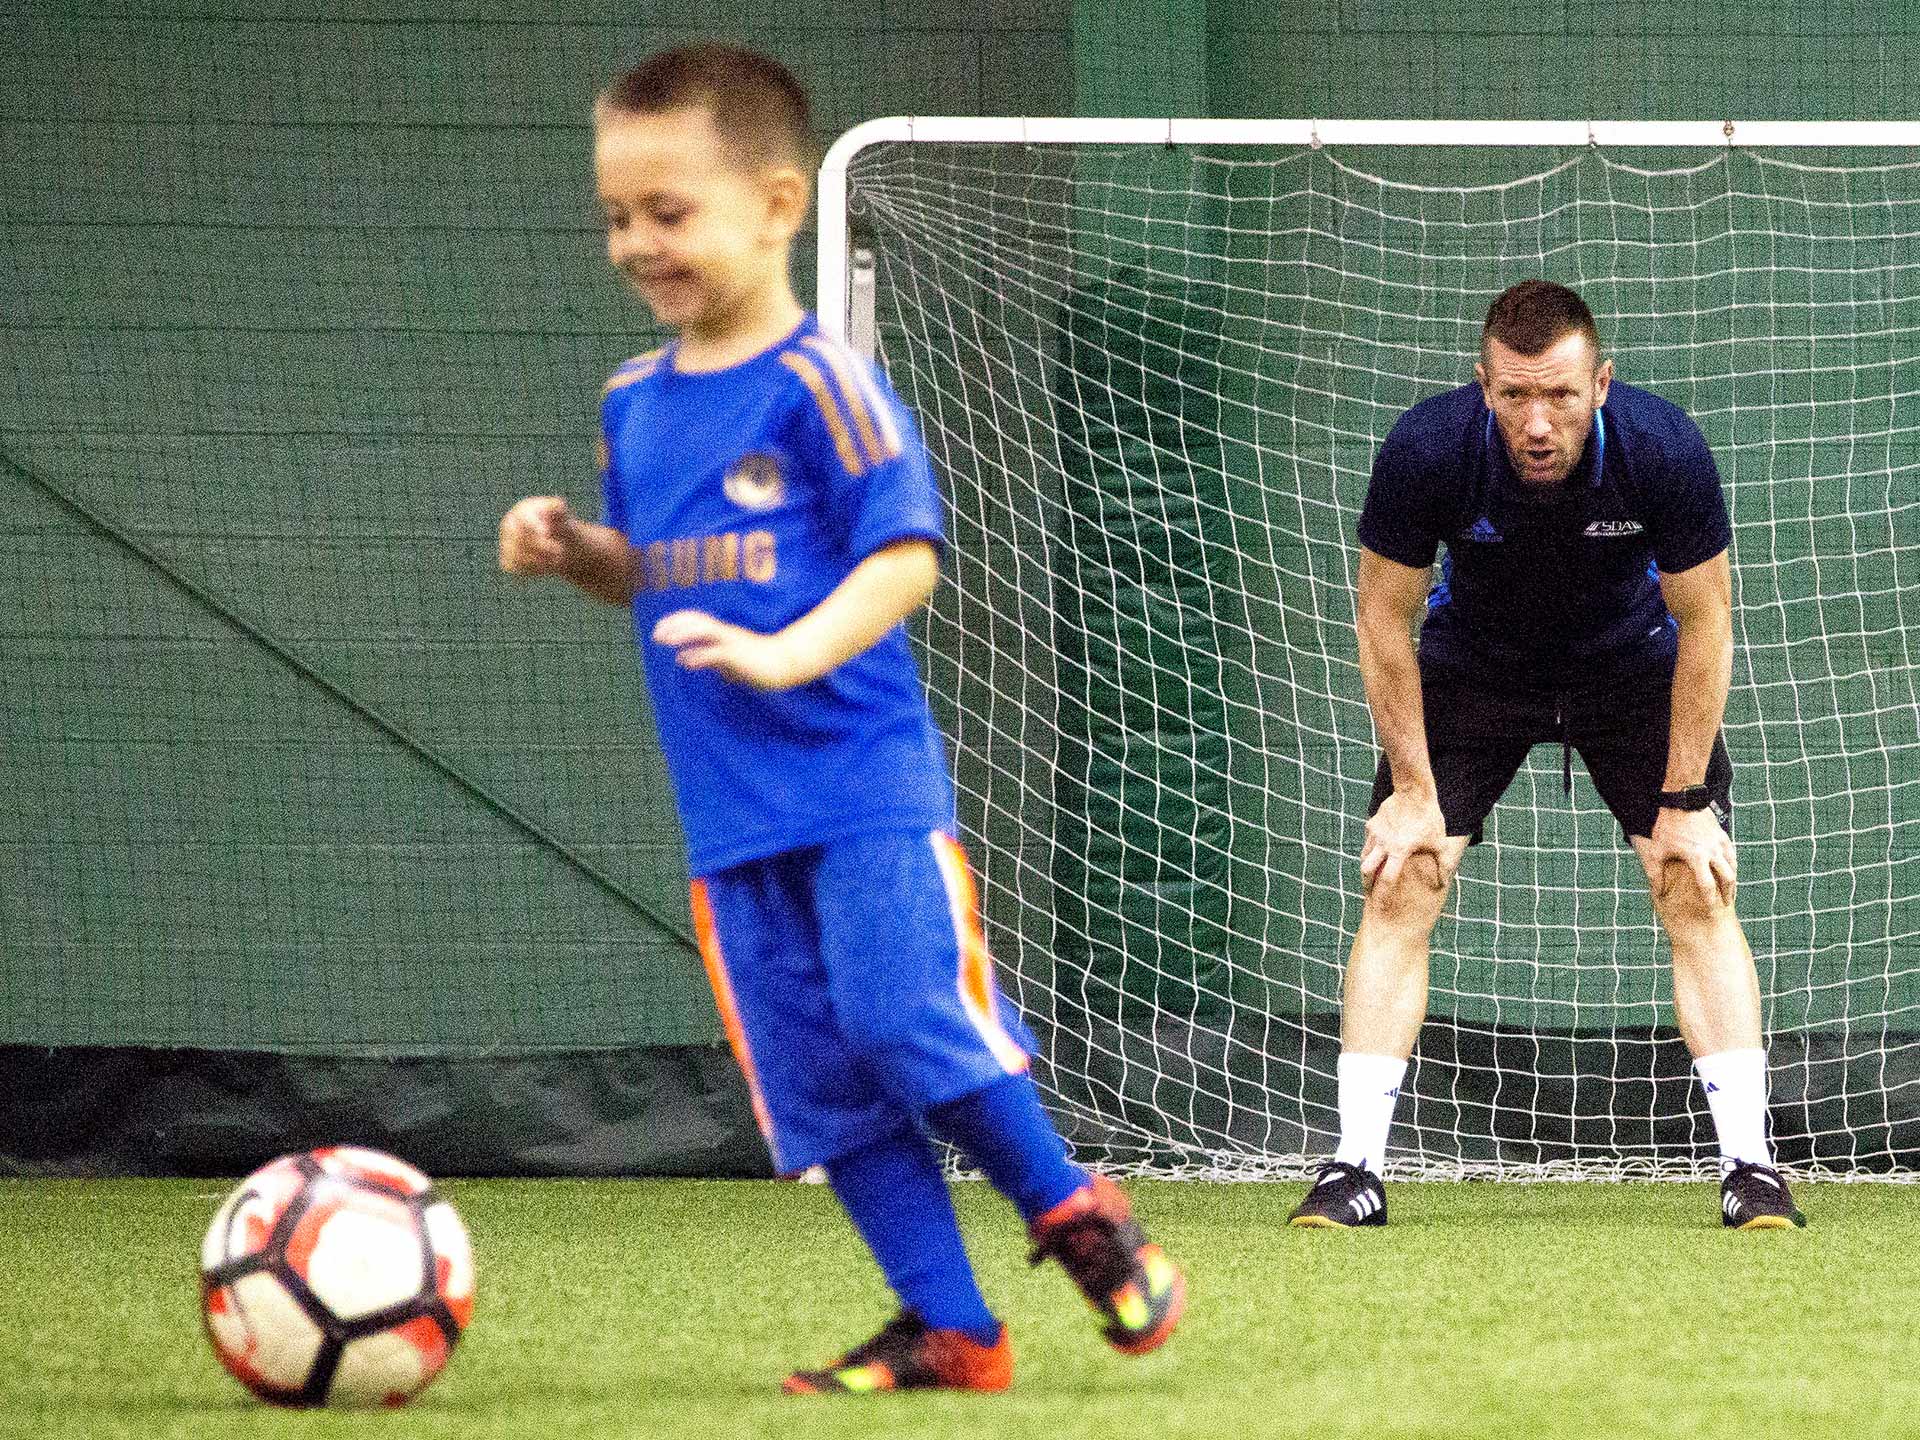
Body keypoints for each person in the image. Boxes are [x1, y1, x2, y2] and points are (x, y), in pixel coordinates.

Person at [498, 44, 1185, 1393]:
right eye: (617, 215)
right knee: (818, 1086)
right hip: (729, 822)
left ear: (776, 204)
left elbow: (905, 557)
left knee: (903, 1018)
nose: (637, 243)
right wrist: (574, 549)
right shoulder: (633, 403)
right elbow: (649, 573)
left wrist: (785, 653)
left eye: (668, 211)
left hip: (864, 791)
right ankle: (953, 1330)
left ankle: (1076, 1214)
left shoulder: (824, 387)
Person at [1288, 280, 1805, 1232]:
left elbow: (1706, 622)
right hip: (1477, 665)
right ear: (1482, 385)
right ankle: (1353, 1168)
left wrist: (1686, 796)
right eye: (1515, 395)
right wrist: (1413, 789)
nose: (1537, 423)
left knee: (1693, 880)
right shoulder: (1428, 449)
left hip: (1629, 666)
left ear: (1600, 385)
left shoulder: (1662, 448)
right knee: (1403, 874)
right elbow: (1384, 618)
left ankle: (1753, 1169)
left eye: (1561, 395)